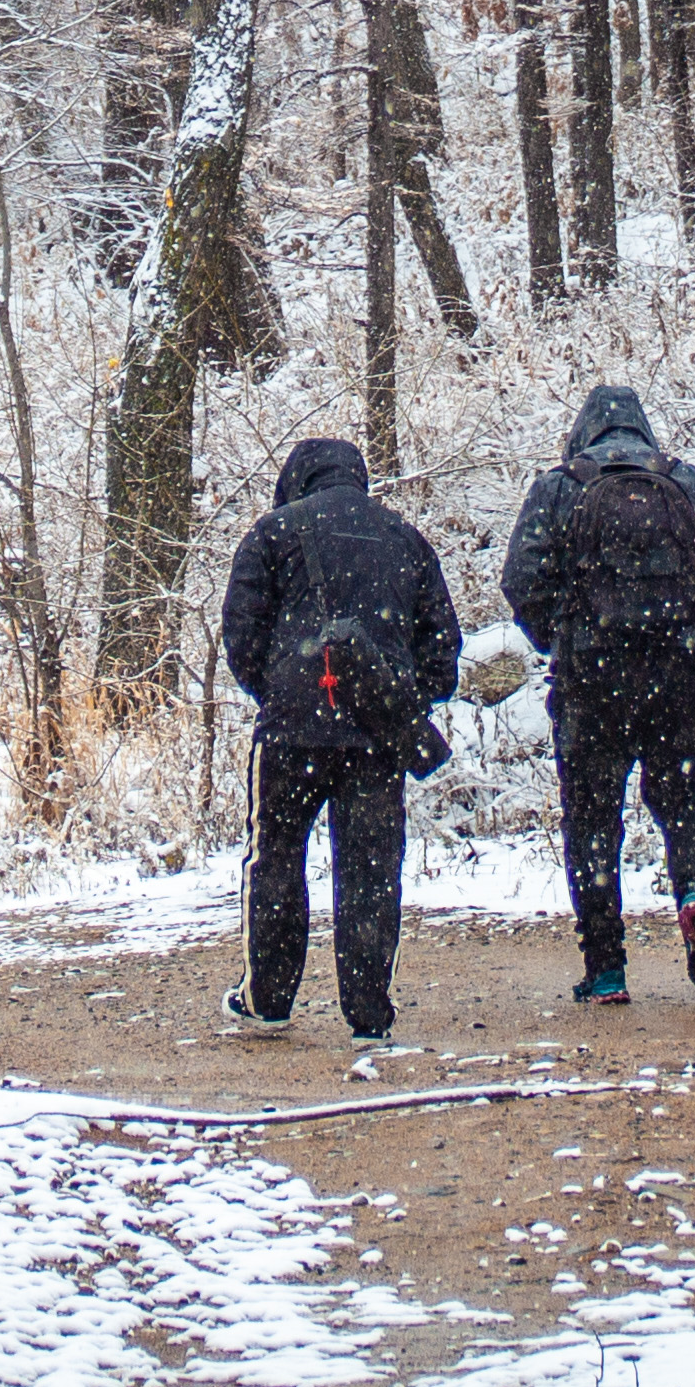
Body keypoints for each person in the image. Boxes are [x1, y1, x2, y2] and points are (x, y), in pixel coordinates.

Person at [497, 382, 695, 1003]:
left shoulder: (559, 488)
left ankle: (606, 964)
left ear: (583, 432)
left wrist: (564, 635)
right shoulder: (688, 483)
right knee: (689, 797)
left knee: (591, 817)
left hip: (592, 680)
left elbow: (521, 579)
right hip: (678, 674)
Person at [217, 433, 461, 1043]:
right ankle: (368, 1011)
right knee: (371, 869)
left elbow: (241, 633)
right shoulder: (404, 538)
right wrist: (397, 699)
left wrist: (278, 690)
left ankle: (268, 1000)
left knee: (275, 859)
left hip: (291, 732)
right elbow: (442, 649)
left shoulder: (273, 533)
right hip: (375, 737)